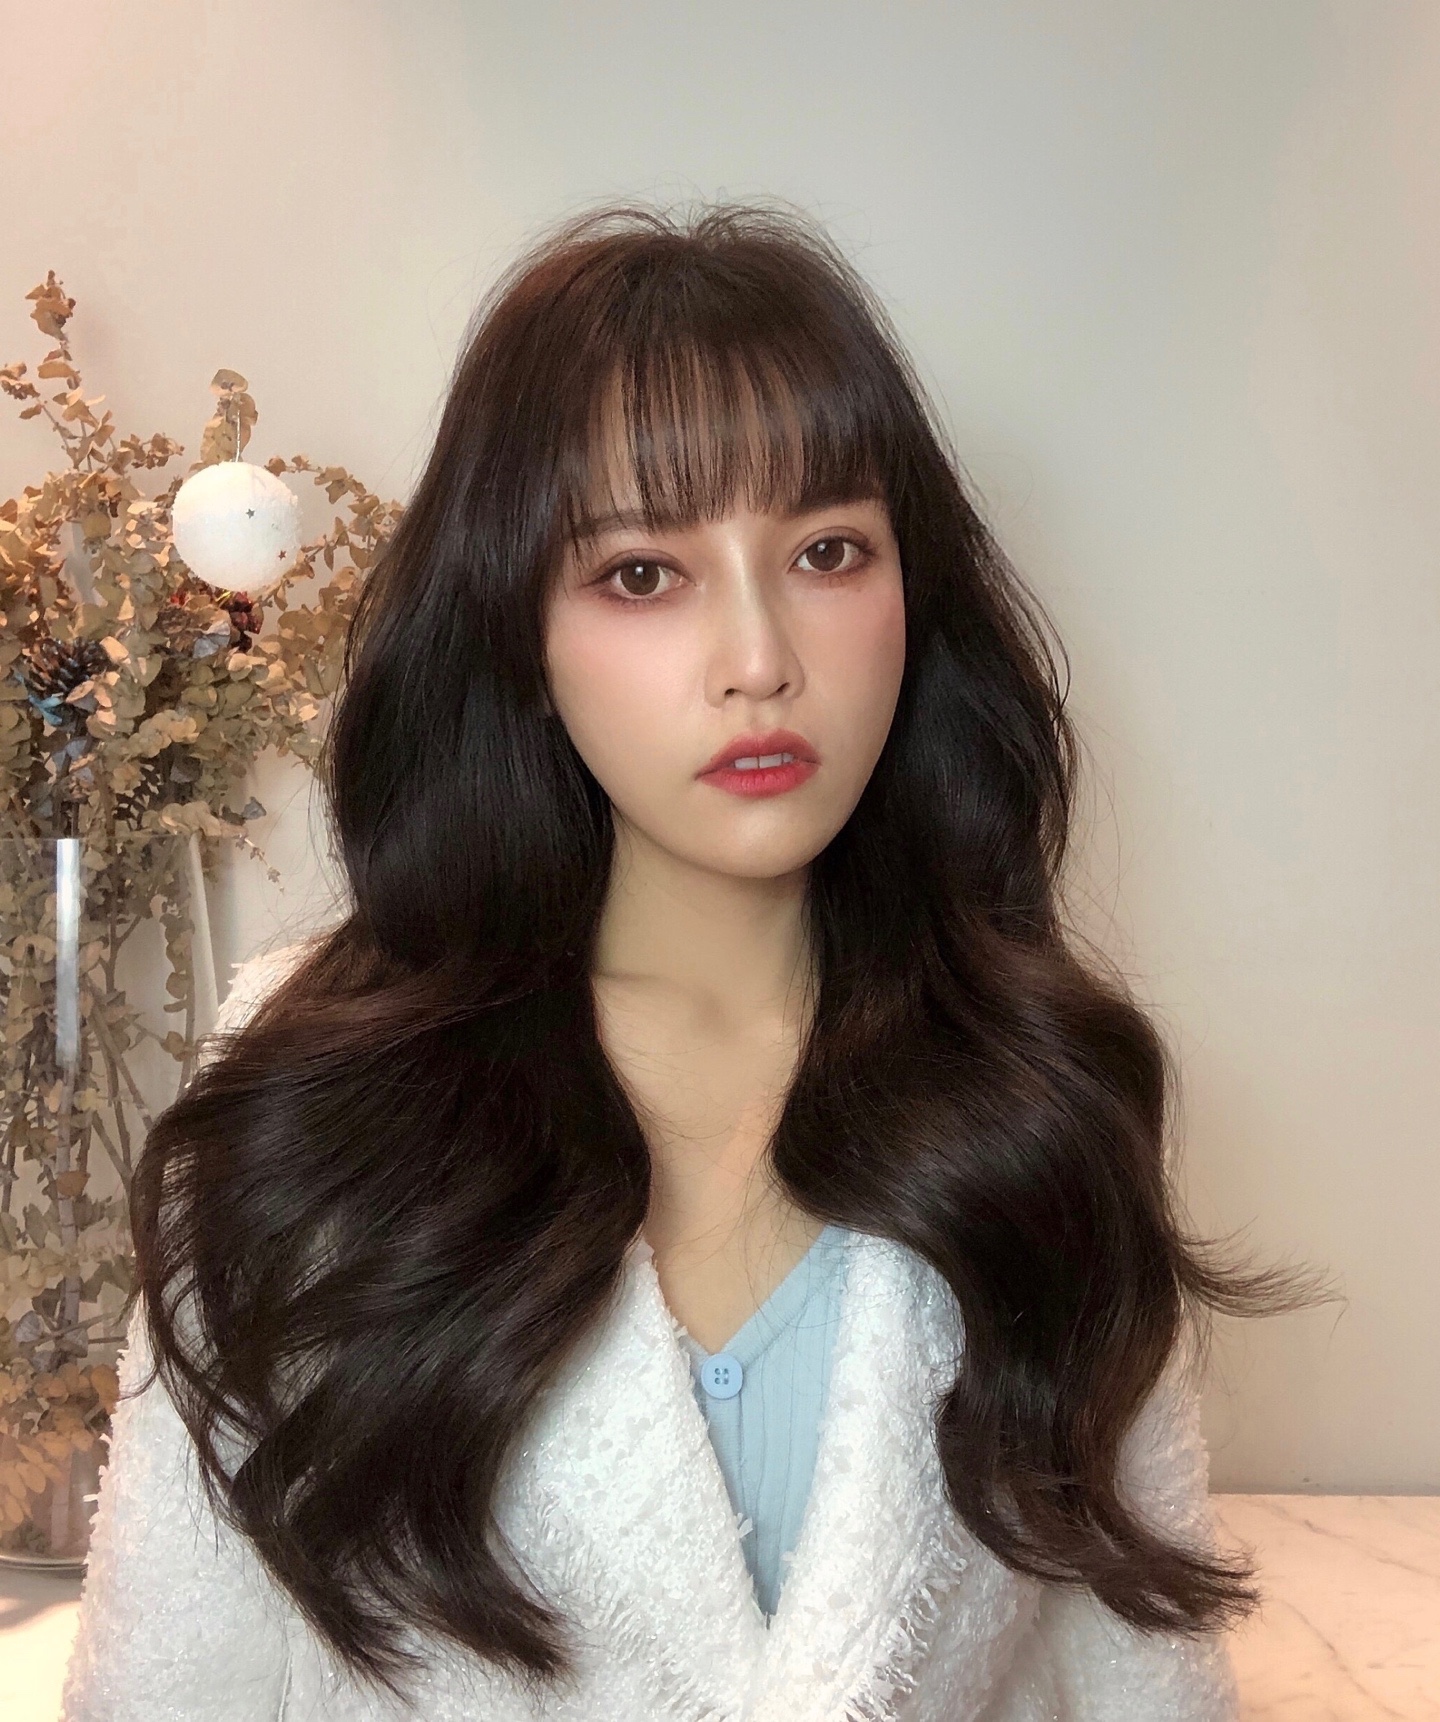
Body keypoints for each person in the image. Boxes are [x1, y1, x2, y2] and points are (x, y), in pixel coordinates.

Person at [62, 200, 1316, 1721]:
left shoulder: (1037, 1090)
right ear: (517, 630)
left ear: (914, 595)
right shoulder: (317, 1102)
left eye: (830, 552)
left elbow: (1143, 1673)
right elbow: (169, 1682)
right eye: (643, 575)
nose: (761, 659)